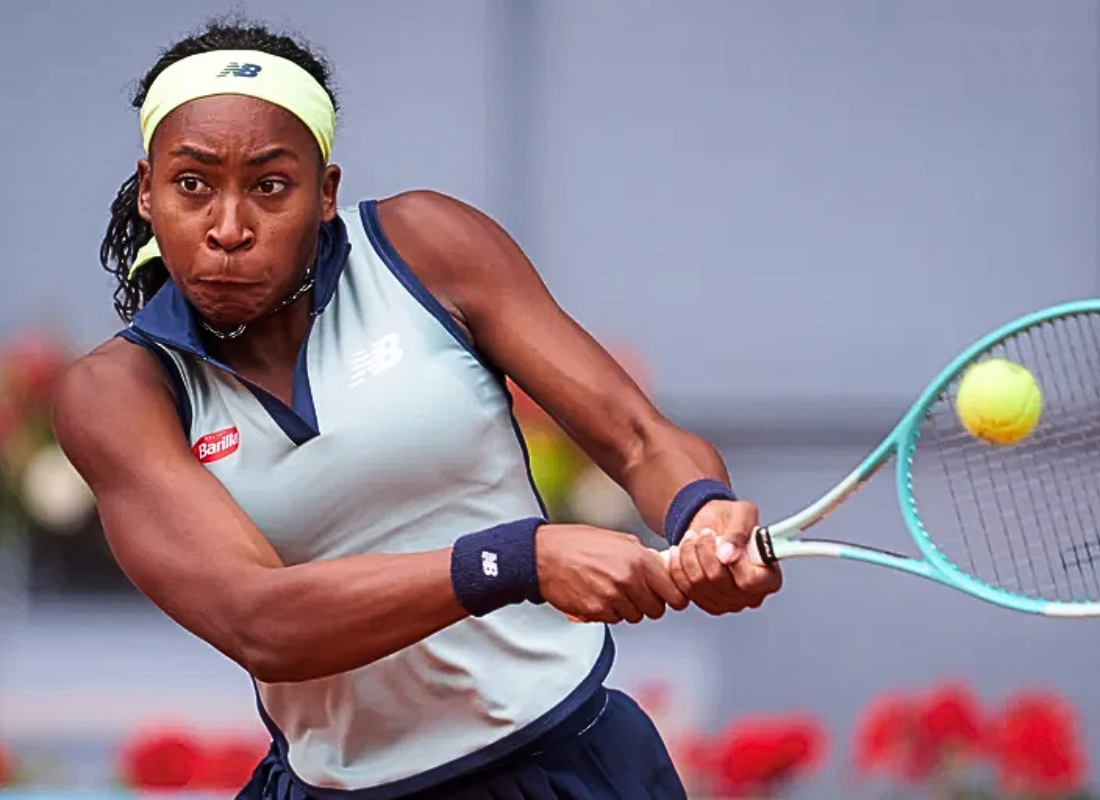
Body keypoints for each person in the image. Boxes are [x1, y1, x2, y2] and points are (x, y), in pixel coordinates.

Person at [53, 17, 783, 800]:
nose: (229, 229)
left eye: (270, 186)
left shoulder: (426, 245)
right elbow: (257, 619)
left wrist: (700, 511)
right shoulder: (116, 392)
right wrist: (519, 560)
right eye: (192, 184)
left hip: (562, 764)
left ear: (325, 193)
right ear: (148, 191)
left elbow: (640, 439)